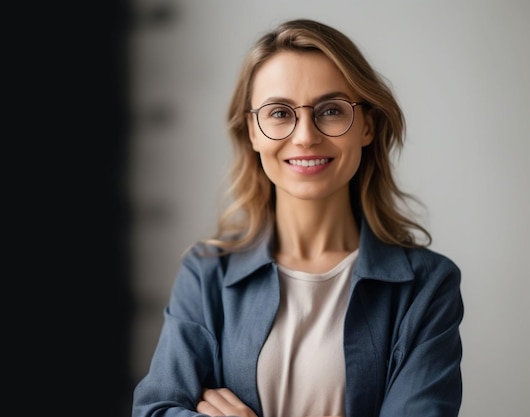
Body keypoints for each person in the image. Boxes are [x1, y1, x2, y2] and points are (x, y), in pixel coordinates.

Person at [132, 18, 463, 417]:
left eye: (331, 110)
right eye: (278, 113)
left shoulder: (427, 287)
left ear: (367, 127)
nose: (305, 135)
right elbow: (155, 410)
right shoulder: (207, 275)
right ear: (252, 131)